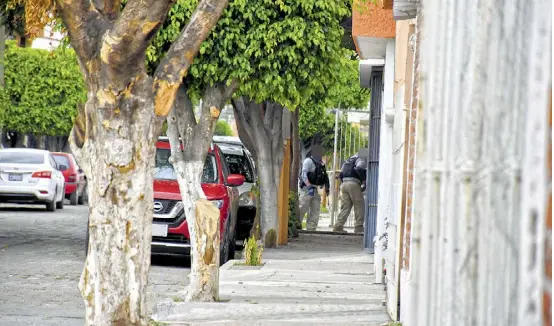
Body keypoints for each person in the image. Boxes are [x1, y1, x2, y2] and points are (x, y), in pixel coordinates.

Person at [333, 148, 368, 234]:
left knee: (345, 207)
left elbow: (341, 173)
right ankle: (358, 227)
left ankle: (338, 226)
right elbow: (359, 168)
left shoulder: (349, 160)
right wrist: (364, 180)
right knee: (359, 205)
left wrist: (344, 182)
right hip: (353, 184)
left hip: (344, 184)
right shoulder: (361, 159)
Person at [297, 145, 330, 231]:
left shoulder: (320, 163)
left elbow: (324, 176)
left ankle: (311, 229)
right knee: (302, 208)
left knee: (315, 210)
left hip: (314, 189)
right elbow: (304, 175)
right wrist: (309, 186)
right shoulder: (308, 161)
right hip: (306, 189)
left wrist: (325, 186)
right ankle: (297, 226)